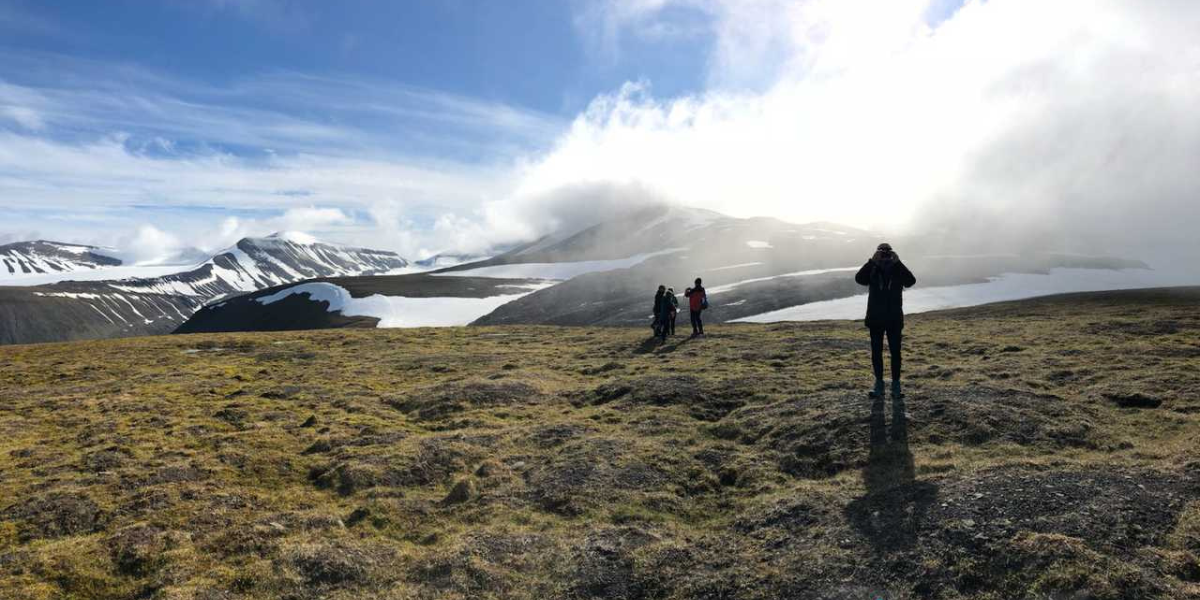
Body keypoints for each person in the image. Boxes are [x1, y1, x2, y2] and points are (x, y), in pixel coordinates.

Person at [855, 243, 916, 399]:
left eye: (887, 252)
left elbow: (911, 281)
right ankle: (879, 385)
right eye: (881, 252)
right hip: (877, 319)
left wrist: (898, 262)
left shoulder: (897, 268)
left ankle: (896, 386)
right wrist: (871, 261)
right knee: (877, 353)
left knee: (896, 353)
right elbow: (859, 279)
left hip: (893, 319)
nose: (885, 255)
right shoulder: (873, 268)